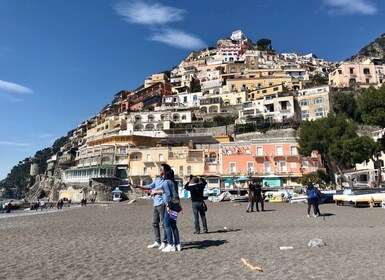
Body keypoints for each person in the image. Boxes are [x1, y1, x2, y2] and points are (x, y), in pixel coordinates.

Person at [133, 163, 168, 250]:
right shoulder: (157, 179)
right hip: (155, 204)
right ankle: (157, 241)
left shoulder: (167, 180)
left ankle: (165, 242)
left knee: (164, 224)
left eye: (161, 169)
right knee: (154, 223)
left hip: (162, 203)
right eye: (159, 169)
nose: (159, 170)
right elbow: (149, 186)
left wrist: (155, 192)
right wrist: (137, 186)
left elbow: (167, 191)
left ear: (165, 170)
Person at [160, 165, 181, 252]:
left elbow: (167, 194)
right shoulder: (174, 182)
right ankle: (177, 244)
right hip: (176, 203)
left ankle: (171, 244)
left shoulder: (165, 182)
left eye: (161, 169)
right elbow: (176, 194)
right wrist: (178, 205)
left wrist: (168, 205)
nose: (160, 170)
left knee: (166, 225)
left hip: (170, 204)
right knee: (173, 225)